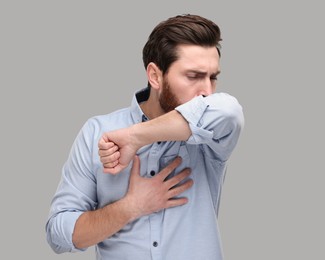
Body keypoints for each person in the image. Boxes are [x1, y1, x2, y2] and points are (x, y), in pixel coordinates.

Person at [46, 14, 244, 260]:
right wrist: (130, 207)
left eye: (212, 77)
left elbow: (230, 111)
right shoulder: (97, 132)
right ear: (155, 75)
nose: (207, 91)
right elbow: (58, 233)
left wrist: (135, 137)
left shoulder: (209, 137)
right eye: (193, 76)